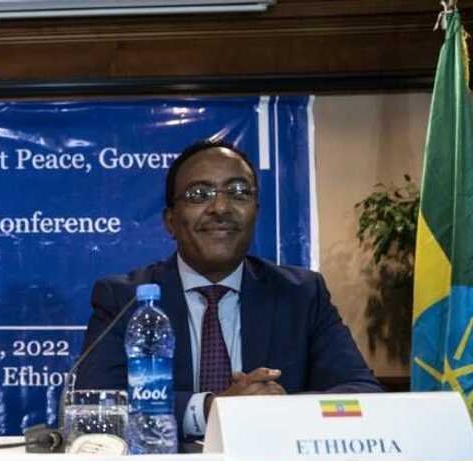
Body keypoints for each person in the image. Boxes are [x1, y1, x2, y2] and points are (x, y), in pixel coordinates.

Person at [76, 140, 382, 441]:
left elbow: (362, 392)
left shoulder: (302, 294)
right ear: (170, 221)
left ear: (255, 211)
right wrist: (212, 409)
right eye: (199, 195)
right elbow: (94, 405)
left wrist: (280, 408)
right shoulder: (125, 299)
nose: (221, 208)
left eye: (238, 192)